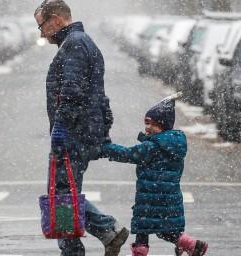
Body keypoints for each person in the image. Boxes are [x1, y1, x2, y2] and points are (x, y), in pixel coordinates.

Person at [34, 1, 129, 256]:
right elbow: (99, 96)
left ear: (55, 19)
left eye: (41, 26)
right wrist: (101, 129)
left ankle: (92, 240)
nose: (41, 33)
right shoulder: (82, 42)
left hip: (72, 135)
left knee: (61, 198)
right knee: (64, 194)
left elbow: (73, 92)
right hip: (82, 133)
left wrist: (61, 128)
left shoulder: (74, 44)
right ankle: (107, 232)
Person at [100, 93, 209, 256]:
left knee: (143, 231)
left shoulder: (152, 147)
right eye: (146, 123)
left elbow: (129, 154)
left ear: (163, 126)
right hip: (170, 198)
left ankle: (140, 252)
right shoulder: (175, 146)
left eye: (152, 124)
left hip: (149, 199)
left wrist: (106, 148)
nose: (148, 128)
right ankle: (192, 245)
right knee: (167, 231)